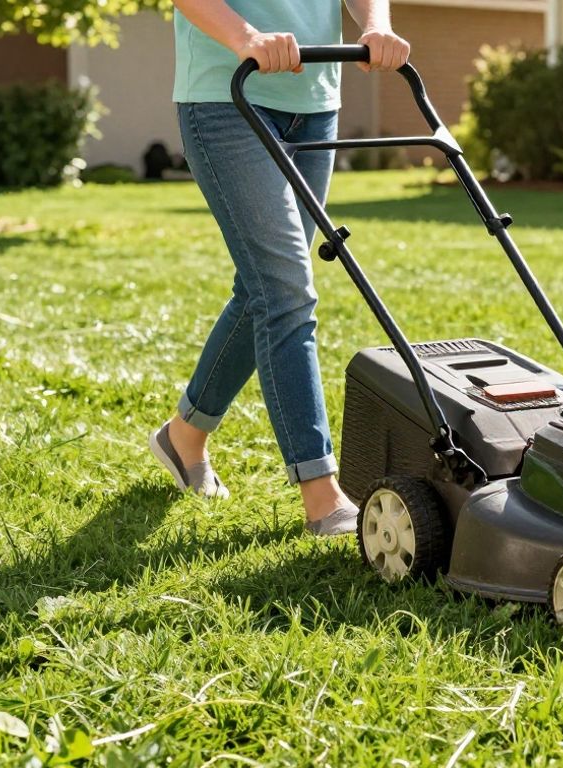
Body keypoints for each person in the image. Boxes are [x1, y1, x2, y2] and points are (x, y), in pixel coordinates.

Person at [150, 0, 410, 536]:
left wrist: (376, 24)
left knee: (265, 291)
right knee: (287, 291)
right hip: (228, 93)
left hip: (315, 98)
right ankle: (322, 494)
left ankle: (183, 435)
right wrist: (246, 36)